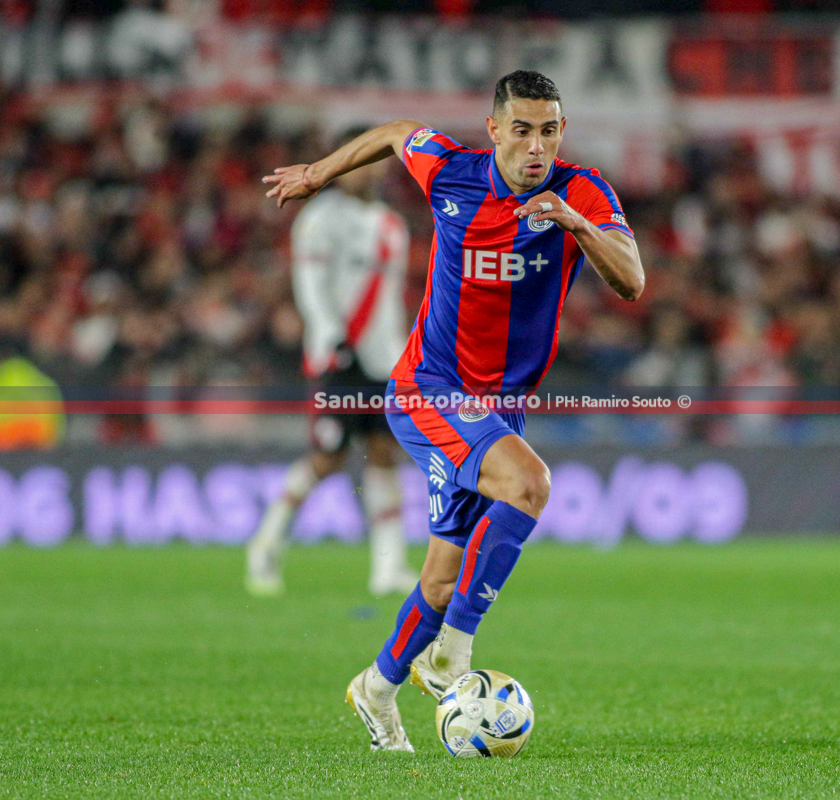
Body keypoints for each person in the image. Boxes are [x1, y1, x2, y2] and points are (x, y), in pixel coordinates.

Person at [262, 70, 644, 752]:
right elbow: (393, 134)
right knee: (529, 484)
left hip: (496, 411)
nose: (536, 147)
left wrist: (577, 224)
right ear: (494, 129)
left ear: (563, 131)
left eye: (549, 131)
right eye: (521, 130)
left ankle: (376, 688)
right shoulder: (451, 171)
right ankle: (452, 656)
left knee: (441, 580)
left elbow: (633, 280)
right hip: (428, 388)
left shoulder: (582, 190)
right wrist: (318, 174)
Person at [247, 127, 418, 598]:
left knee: (384, 452)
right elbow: (310, 287)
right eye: (360, 160)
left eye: (376, 160)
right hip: (338, 356)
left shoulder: (392, 224)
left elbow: (391, 302)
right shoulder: (320, 218)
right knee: (327, 457)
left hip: (384, 361)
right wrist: (332, 339)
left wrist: (403, 352)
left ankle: (388, 568)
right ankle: (265, 545)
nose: (369, 170)